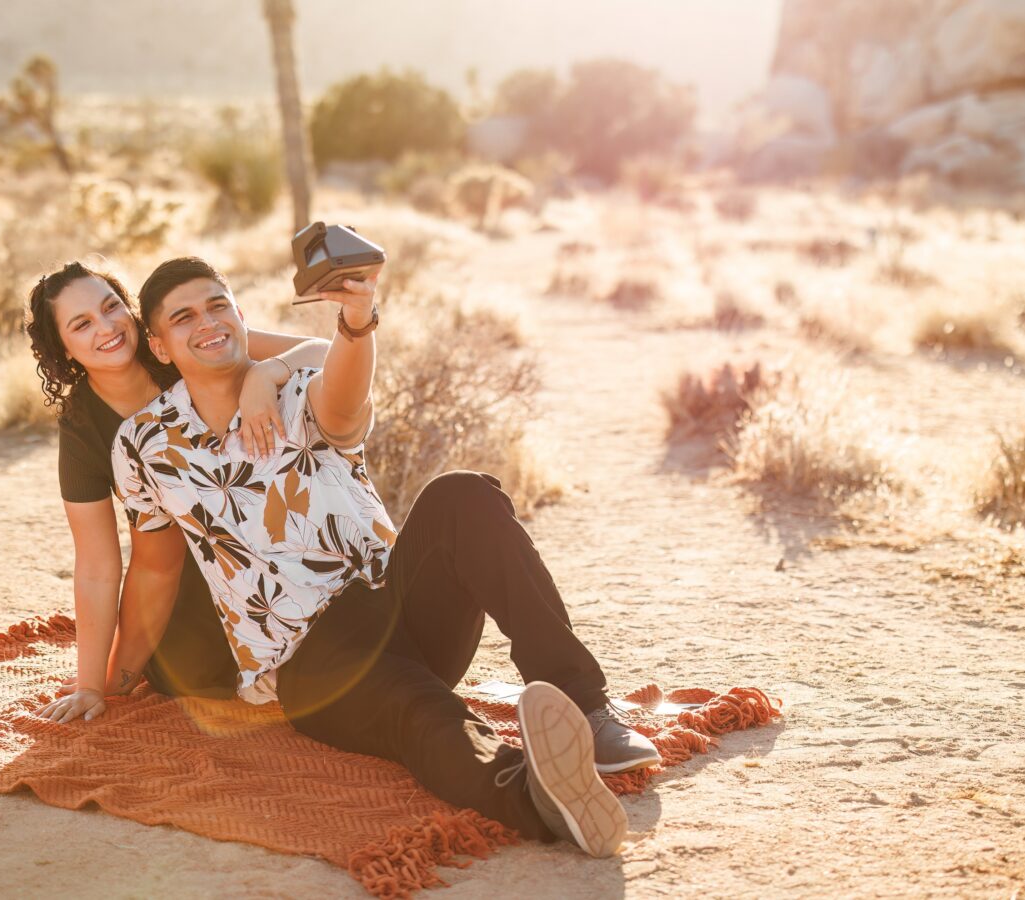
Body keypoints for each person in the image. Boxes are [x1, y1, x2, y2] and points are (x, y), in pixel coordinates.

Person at [97, 256, 661, 857]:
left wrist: (356, 319)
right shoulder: (143, 444)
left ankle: (586, 706)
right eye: (183, 317)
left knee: (463, 494)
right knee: (423, 714)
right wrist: (111, 680)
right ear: (158, 345)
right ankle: (540, 797)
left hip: (393, 605)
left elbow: (340, 405)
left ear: (239, 313)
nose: (207, 323)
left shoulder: (291, 385)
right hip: (310, 661)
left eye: (217, 305)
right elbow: (156, 567)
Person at [20, 261, 328, 717]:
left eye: (112, 308)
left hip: (281, 543)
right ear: (63, 350)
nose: (106, 328)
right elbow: (98, 566)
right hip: (179, 576)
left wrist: (267, 374)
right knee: (187, 673)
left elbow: (325, 351)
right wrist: (95, 683)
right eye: (82, 324)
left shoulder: (182, 344)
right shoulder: (83, 428)